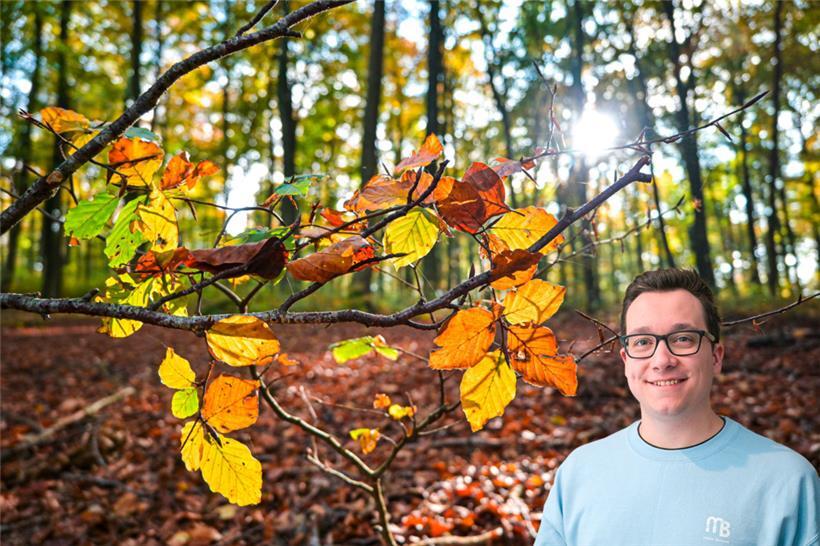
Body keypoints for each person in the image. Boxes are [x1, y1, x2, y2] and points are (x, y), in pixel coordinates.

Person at [534, 268, 819, 546]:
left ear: (716, 356)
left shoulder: (787, 481)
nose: (662, 360)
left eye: (683, 339)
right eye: (643, 341)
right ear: (626, 361)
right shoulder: (579, 473)